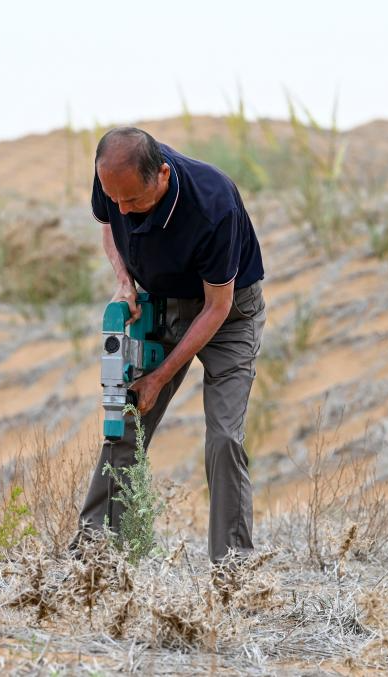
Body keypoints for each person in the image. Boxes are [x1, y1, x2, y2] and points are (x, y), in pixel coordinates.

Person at [72, 126, 267, 564]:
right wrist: (124, 282)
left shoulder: (213, 205)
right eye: (115, 199)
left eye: (134, 201)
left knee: (224, 439)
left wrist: (160, 377)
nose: (123, 209)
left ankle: (233, 571)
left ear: (161, 174)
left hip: (229, 314)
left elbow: (217, 307)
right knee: (124, 421)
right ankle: (92, 559)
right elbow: (109, 227)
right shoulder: (114, 178)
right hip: (160, 304)